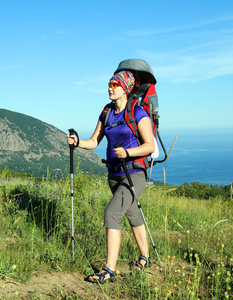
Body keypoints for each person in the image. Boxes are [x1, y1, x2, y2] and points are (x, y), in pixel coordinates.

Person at [67, 70, 155, 284]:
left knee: (112, 214)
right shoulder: (106, 113)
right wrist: (78, 143)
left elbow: (149, 146)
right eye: (109, 84)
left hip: (134, 174)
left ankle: (109, 270)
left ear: (125, 88)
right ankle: (145, 258)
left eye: (115, 85)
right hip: (114, 175)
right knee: (133, 214)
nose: (110, 88)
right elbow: (94, 141)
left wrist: (128, 153)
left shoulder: (138, 114)